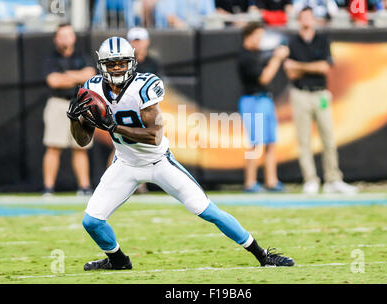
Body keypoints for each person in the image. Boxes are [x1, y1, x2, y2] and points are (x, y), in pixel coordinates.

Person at [66, 36, 294, 270]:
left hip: (158, 162)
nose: (117, 68)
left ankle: (262, 255)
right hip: (125, 163)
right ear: (102, 65)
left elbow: (154, 136)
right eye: (111, 64)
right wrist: (75, 120)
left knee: (207, 211)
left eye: (122, 63)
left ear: (131, 62)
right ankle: (118, 261)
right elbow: (83, 140)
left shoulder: (143, 86)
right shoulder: (92, 88)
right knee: (91, 221)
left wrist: (114, 126)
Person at [284, 7, 358, 195]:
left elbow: (324, 67)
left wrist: (301, 66)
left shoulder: (322, 40)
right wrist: (311, 67)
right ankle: (310, 179)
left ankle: (333, 179)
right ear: (299, 20)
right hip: (300, 94)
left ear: (314, 19)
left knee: (328, 137)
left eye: (309, 16)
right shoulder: (293, 41)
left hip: (320, 93)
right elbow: (290, 71)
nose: (307, 20)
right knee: (304, 139)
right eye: (303, 17)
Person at [106, 26, 162, 194]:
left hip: (146, 109)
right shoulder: (120, 63)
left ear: (147, 42)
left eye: (140, 40)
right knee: (120, 145)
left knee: (150, 143)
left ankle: (141, 183)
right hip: (124, 107)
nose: (137, 44)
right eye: (134, 40)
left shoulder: (152, 63)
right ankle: (111, 184)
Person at [43, 23, 96, 197]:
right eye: (62, 35)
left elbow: (89, 75)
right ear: (56, 38)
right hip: (58, 103)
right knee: (53, 146)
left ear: (74, 37)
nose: (66, 38)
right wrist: (77, 76)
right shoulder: (51, 58)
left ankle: (84, 187)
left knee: (81, 147)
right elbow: (54, 81)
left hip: (80, 103)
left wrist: (66, 75)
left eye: (69, 35)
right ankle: (48, 189)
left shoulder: (83, 56)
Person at [237, 22, 288, 193]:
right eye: (257, 36)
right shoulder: (245, 57)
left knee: (271, 142)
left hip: (265, 100)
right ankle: (250, 182)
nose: (260, 41)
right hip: (253, 101)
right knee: (255, 144)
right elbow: (264, 78)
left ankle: (271, 180)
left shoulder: (257, 54)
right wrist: (277, 58)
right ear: (248, 36)